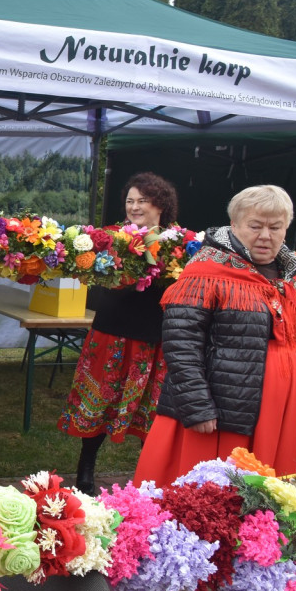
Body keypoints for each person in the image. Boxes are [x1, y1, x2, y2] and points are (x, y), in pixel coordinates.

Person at [133, 185, 296, 591]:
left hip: (278, 414)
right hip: (220, 408)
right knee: (191, 495)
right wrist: (198, 405)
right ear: (234, 225)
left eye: (275, 227)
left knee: (261, 500)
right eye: (255, 225)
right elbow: (180, 343)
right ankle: (155, 577)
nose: (265, 235)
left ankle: (242, 579)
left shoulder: (290, 275)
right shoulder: (206, 270)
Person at [58, 172, 179, 496]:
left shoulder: (178, 243)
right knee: (99, 401)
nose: (135, 206)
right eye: (130, 200)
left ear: (161, 204)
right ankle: (85, 470)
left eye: (143, 200)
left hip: (153, 335)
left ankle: (149, 476)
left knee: (151, 411)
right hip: (112, 332)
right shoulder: (112, 237)